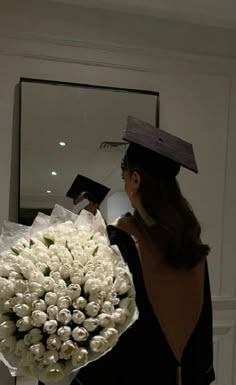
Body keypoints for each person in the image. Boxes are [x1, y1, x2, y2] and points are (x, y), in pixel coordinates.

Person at [73, 116, 215, 385]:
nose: (125, 186)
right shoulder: (192, 245)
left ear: (135, 179)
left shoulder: (119, 241)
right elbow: (202, 337)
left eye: (125, 178)